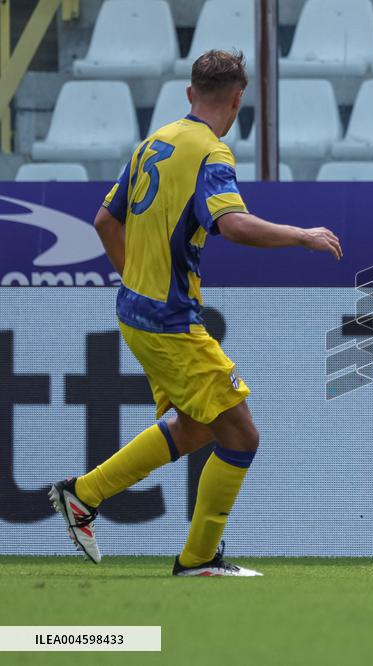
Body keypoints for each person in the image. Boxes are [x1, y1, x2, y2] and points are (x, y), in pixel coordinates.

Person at [49, 50, 343, 576]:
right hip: (169, 319)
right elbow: (232, 224)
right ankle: (200, 557)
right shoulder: (213, 153)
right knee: (241, 434)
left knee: (198, 426)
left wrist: (139, 277)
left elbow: (102, 221)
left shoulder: (153, 143)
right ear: (237, 99)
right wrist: (302, 235)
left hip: (137, 310)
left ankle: (84, 494)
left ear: (190, 94)